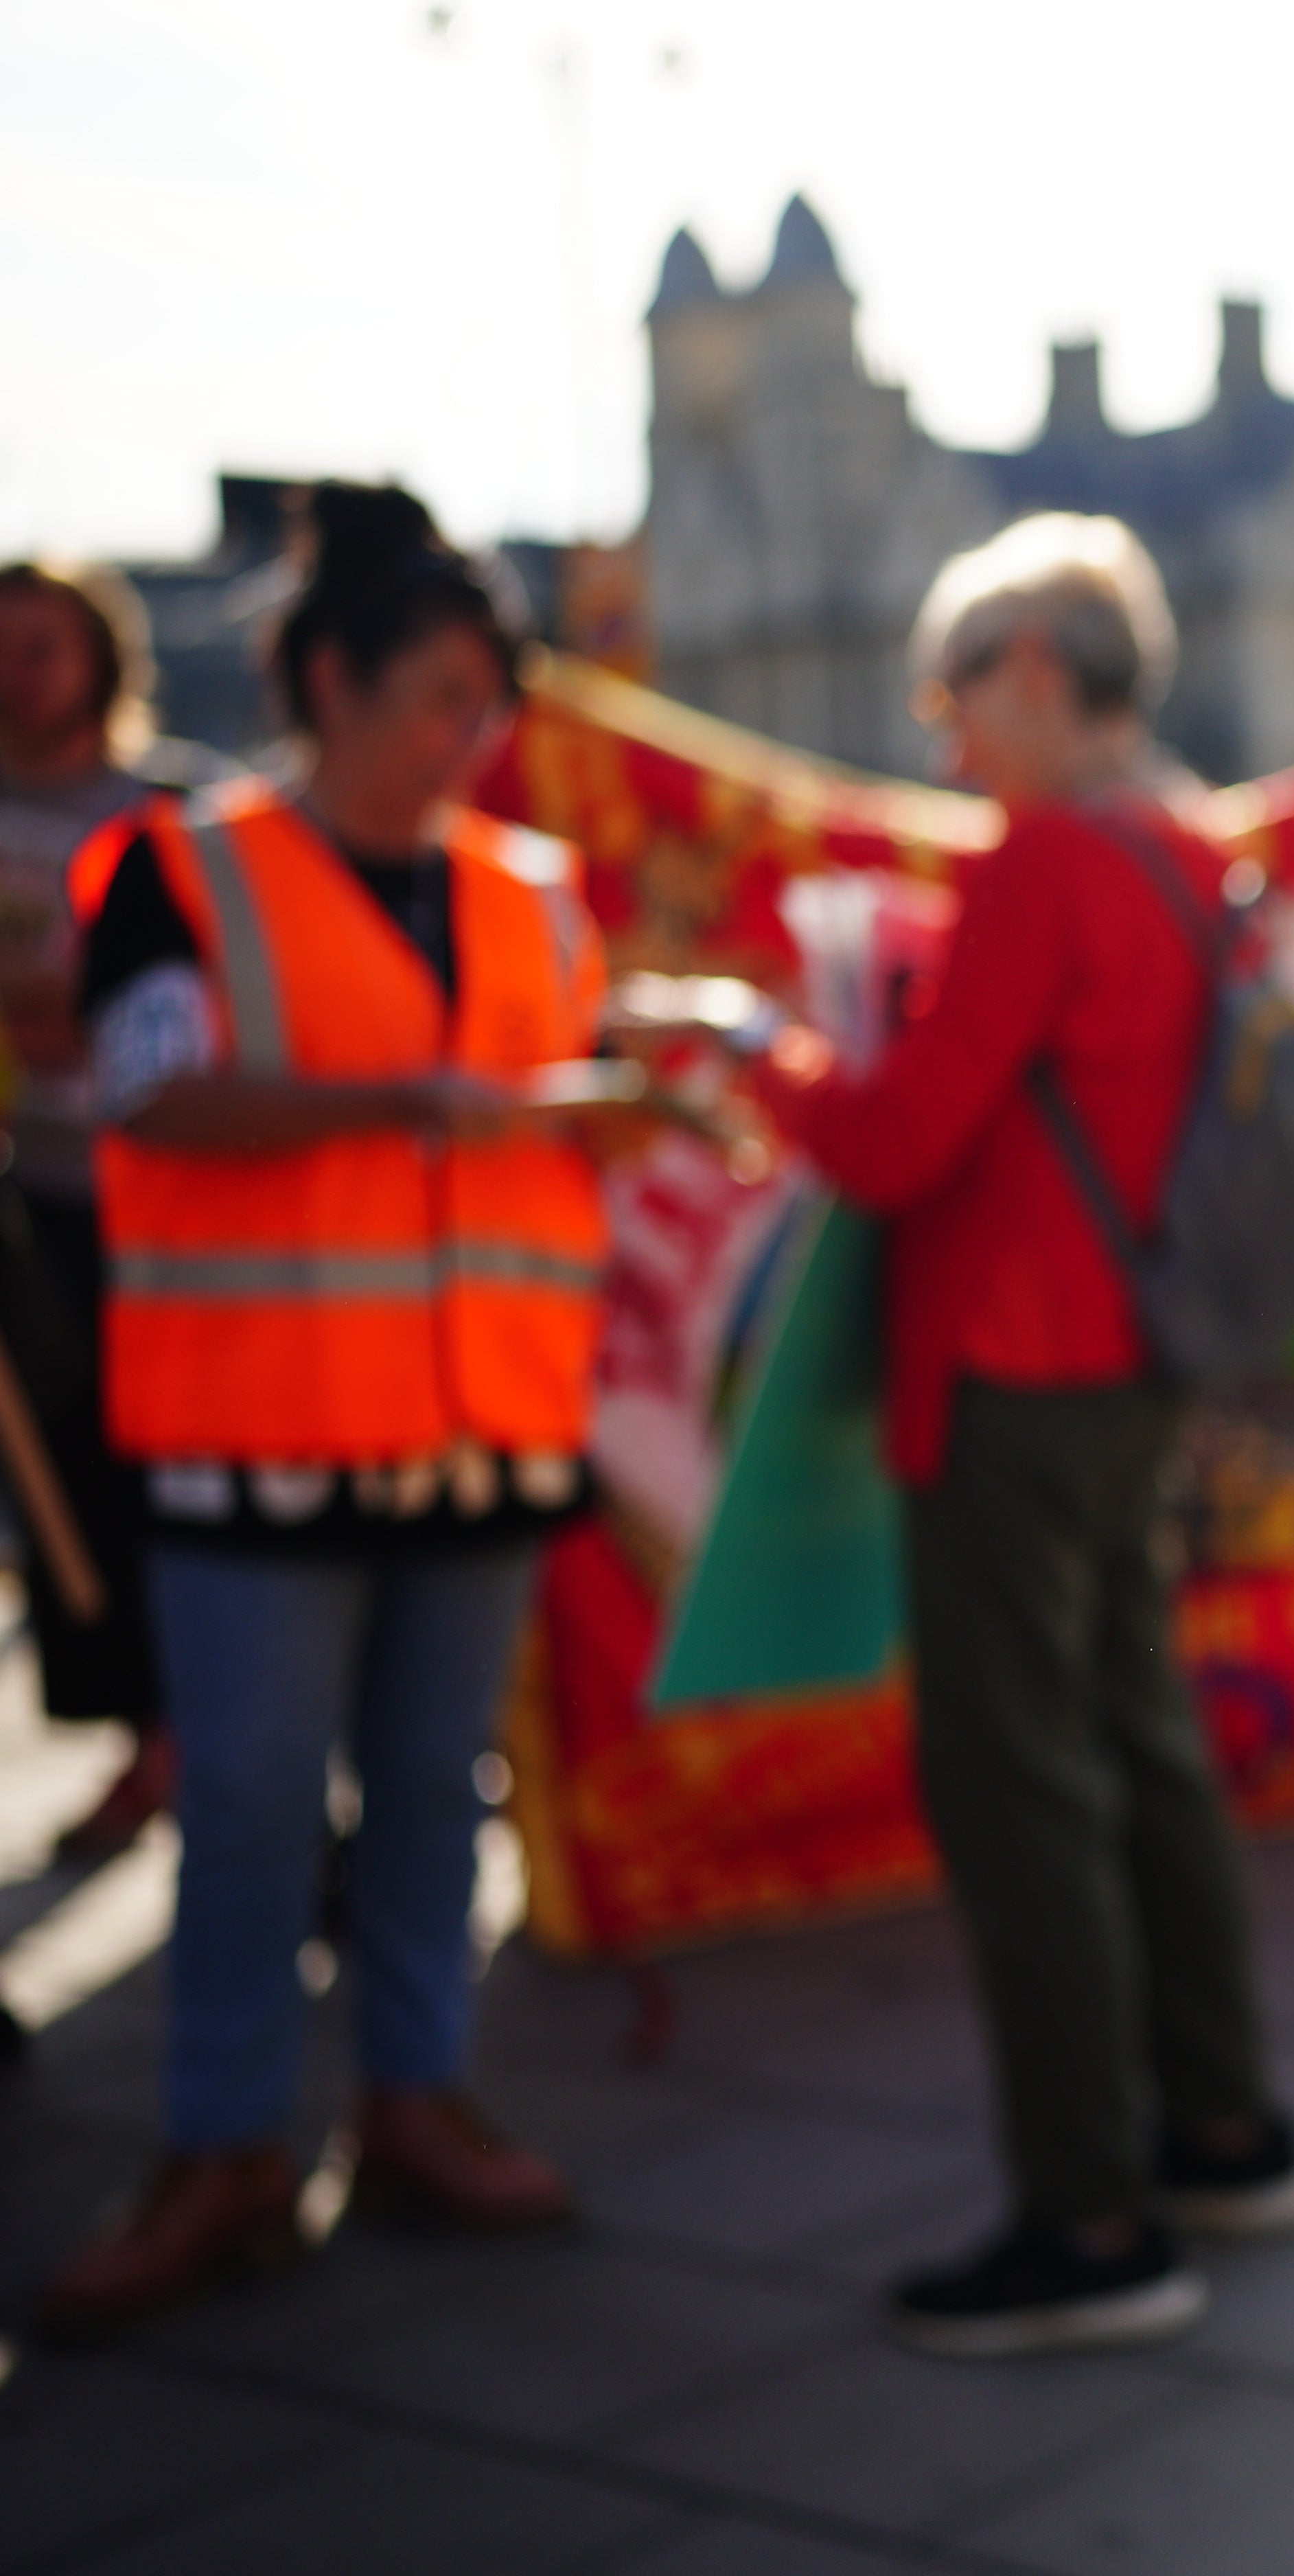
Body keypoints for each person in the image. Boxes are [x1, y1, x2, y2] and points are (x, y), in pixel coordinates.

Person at [737, 514, 1294, 2360]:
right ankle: (1226, 2129)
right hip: (1139, 1356)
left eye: (956, 689)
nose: (940, 736)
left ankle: (1089, 2221)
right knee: (1138, 1734)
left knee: (1021, 1791)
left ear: (1045, 676)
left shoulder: (1044, 867)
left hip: (1013, 1364)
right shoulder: (1185, 850)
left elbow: (900, 1140)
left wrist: (758, 1051)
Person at [36, 487, 610, 2341]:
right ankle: (222, 2151)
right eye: (441, 693)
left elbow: (547, 1104)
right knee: (261, 1804)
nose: (470, 736)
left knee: (439, 1795)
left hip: (476, 1428)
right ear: (333, 681)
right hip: (257, 1438)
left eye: (487, 703)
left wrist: (656, 1074)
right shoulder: (174, 874)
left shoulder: (529, 889)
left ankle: (414, 2098)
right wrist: (401, 1109)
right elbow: (151, 1099)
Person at [0, 562, 194, 1864]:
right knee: (73, 1483)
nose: (24, 675)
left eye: (46, 648)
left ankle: (204, 1739)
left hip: (168, 1203)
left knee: (178, 1479)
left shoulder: (172, 809)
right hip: (33, 1194)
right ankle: (140, 1736)